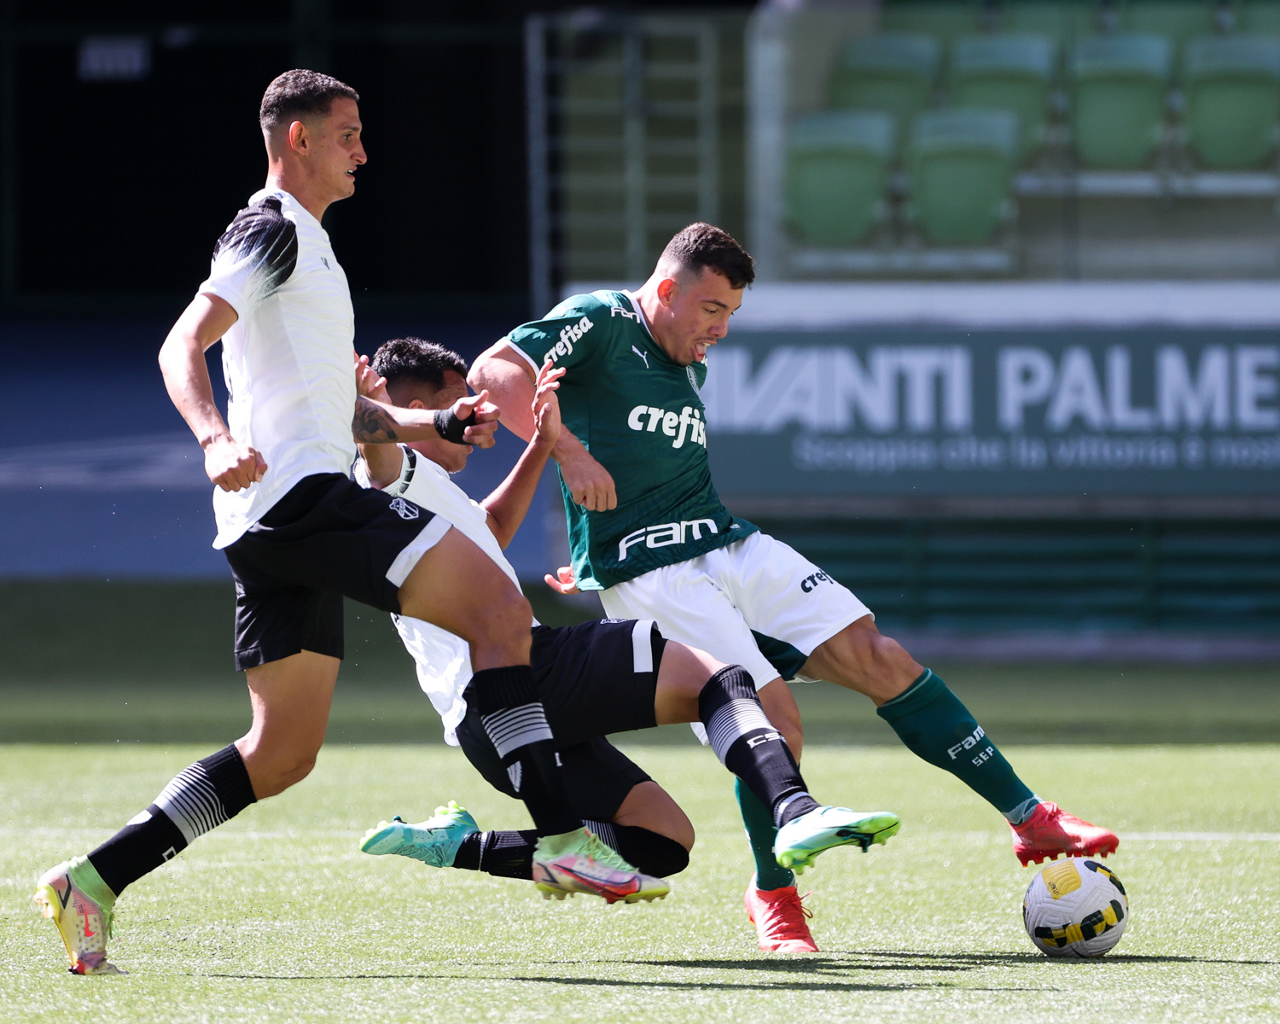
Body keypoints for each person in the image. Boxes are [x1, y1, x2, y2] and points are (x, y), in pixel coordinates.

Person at [31, 70, 633, 977]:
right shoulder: (271, 229)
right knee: (500, 613)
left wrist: (437, 423)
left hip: (268, 523)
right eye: (347, 134)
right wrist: (213, 439)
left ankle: (92, 881)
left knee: (280, 755)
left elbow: (337, 415)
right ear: (298, 138)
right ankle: (561, 835)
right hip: (299, 501)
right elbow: (180, 342)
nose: (363, 151)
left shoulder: (306, 246)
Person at [467, 222, 1120, 954]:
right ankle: (773, 895)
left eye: (731, 314)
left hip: (727, 540)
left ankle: (1030, 818)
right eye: (712, 309)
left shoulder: (685, 358)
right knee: (773, 720)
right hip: (653, 572)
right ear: (667, 290)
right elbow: (493, 372)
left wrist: (588, 539)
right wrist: (567, 454)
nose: (721, 329)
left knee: (881, 658)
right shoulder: (601, 319)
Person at [349, 337, 900, 898]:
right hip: (523, 671)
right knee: (717, 679)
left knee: (661, 841)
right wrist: (369, 411)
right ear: (417, 412)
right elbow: (375, 448)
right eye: (460, 401)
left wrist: (542, 443)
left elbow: (491, 529)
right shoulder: (393, 471)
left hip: (483, 722)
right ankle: (796, 810)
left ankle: (458, 845)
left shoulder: (427, 490)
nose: (479, 413)